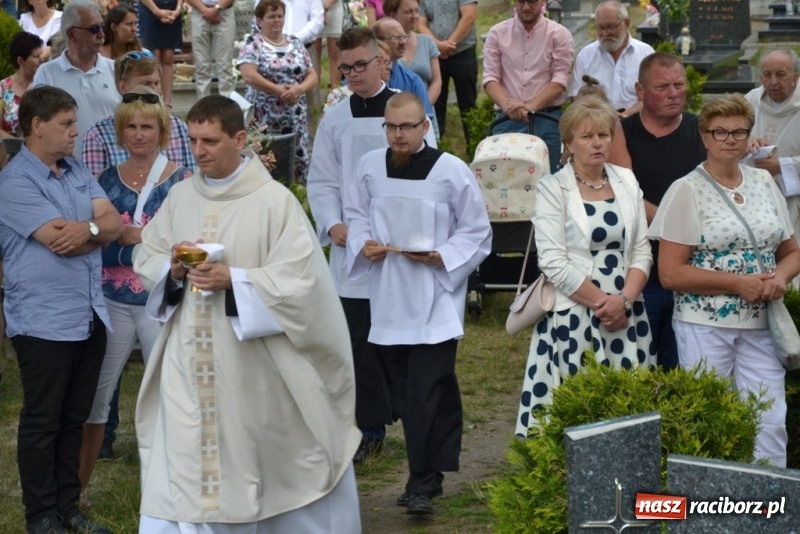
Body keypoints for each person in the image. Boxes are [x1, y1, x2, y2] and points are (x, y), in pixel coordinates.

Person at [133, 94, 362, 533]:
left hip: (251, 363)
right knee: (186, 454)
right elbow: (150, 253)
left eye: (211, 141)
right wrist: (174, 269)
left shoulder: (274, 202)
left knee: (256, 455)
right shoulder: (181, 196)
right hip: (188, 357)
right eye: (194, 140)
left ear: (240, 139)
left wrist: (235, 280)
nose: (199, 151)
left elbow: (303, 282)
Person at [345, 92, 491, 515]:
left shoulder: (451, 171)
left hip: (435, 300)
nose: (398, 135)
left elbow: (478, 231)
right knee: (408, 397)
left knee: (427, 389)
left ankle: (422, 483)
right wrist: (363, 243)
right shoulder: (370, 166)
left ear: (425, 126)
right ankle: (427, 472)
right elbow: (355, 213)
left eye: (407, 127)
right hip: (388, 297)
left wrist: (441, 256)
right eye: (391, 127)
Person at [648, 93, 800, 467]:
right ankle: (712, 511)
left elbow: (792, 251)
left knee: (770, 418)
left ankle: (768, 509)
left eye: (739, 132)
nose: (730, 139)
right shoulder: (686, 189)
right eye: (720, 132)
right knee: (711, 418)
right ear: (704, 136)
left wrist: (779, 278)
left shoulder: (764, 181)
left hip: (762, 321)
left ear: (750, 136)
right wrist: (737, 284)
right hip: (705, 324)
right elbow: (670, 273)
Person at [308, 27, 436, 463]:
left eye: (360, 65)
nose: (352, 75)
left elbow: (429, 172)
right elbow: (322, 180)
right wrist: (334, 226)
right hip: (353, 252)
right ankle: (369, 428)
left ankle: (413, 414)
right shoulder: (336, 118)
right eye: (344, 69)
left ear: (382, 62)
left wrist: (408, 233)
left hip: (400, 252)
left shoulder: (407, 111)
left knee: (401, 343)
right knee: (359, 343)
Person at [0, 85, 122, 534]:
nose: (76, 132)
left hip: (89, 314)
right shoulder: (14, 183)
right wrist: (96, 230)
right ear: (37, 127)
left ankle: (68, 509)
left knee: (73, 418)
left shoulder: (74, 169)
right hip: (43, 322)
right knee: (42, 421)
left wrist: (90, 227)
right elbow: (59, 242)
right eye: (67, 124)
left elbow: (112, 223)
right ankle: (40, 516)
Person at [516, 97, 655, 438]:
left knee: (629, 413)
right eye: (587, 136)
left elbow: (642, 250)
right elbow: (552, 263)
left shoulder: (626, 180)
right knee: (576, 415)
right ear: (568, 143)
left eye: (604, 135)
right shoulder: (553, 188)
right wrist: (603, 303)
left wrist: (623, 301)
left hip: (627, 311)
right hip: (575, 311)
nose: (597, 143)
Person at [77, 86, 190, 509]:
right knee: (96, 395)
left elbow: (183, 245)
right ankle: (78, 491)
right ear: (120, 132)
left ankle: (170, 491)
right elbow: (98, 242)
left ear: (162, 131)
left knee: (169, 393)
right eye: (131, 127)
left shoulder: (182, 181)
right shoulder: (104, 179)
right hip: (111, 298)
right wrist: (145, 239)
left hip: (160, 298)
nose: (139, 134)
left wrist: (130, 235)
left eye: (147, 126)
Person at [608, 52, 706, 370]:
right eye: (662, 87)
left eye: (679, 85)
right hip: (642, 263)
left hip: (693, 264)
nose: (674, 93)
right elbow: (629, 197)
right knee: (642, 358)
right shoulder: (622, 133)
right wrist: (678, 229)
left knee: (686, 361)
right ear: (639, 91)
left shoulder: (702, 130)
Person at [483, 0, 574, 174]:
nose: (525, 7)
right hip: (508, 119)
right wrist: (509, 106)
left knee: (550, 179)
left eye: (531, 1)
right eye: (521, 1)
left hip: (547, 119)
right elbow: (490, 78)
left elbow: (561, 79)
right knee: (505, 181)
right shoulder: (497, 33)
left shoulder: (559, 34)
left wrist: (530, 107)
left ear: (543, 2)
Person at [238, 0, 318, 185]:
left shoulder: (295, 42)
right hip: (264, 118)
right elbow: (248, 75)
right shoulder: (253, 43)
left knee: (298, 161)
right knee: (266, 160)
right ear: (259, 20)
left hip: (294, 117)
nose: (277, 20)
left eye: (280, 16)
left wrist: (299, 89)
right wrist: (278, 91)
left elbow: (312, 75)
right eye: (271, 16)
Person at [83, 51, 195, 177]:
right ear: (123, 87)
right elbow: (94, 190)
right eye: (145, 84)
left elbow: (193, 181)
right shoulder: (98, 135)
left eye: (156, 83)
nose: (154, 90)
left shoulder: (179, 127)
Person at [33, 0, 121, 159]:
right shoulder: (47, 73)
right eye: (94, 29)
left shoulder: (117, 70)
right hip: (66, 172)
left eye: (102, 27)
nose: (101, 35)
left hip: (114, 171)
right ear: (71, 34)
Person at [745, 50, 800, 243]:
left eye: (781, 74)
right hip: (753, 197)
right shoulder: (750, 101)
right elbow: (726, 132)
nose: (773, 82)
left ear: (795, 77)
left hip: (794, 201)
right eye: (767, 75)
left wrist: (783, 165)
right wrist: (747, 140)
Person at [569, 1, 654, 119]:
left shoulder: (645, 53)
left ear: (627, 23)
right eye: (600, 27)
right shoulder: (586, 55)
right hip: (597, 126)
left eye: (610, 27)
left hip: (637, 123)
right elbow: (575, 97)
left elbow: (652, 96)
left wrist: (624, 116)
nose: (605, 33)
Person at [418, 0, 476, 144]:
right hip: (436, 56)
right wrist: (438, 45)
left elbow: (469, 16)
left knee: (468, 104)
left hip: (463, 52)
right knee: (436, 105)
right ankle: (436, 147)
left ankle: (474, 149)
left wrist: (449, 45)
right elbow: (421, 23)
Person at [373, 17, 437, 137]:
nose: (403, 42)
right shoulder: (360, 80)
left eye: (404, 36)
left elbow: (427, 123)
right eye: (396, 38)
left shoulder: (412, 81)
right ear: (378, 41)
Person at [383, 0, 441, 106]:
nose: (414, 16)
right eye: (408, 12)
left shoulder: (427, 42)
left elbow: (436, 81)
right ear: (393, 14)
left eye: (416, 11)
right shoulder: (383, 45)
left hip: (425, 113)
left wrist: (423, 107)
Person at [185, 0, 235, 99]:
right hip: (199, 11)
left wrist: (216, 9)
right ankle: (203, 107)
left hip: (224, 12)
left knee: (225, 66)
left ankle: (227, 107)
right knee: (201, 66)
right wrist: (206, 11)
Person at [137, 0, 183, 109]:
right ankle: (153, 100)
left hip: (171, 10)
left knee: (168, 57)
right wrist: (156, 11)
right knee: (153, 57)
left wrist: (178, 9)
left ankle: (167, 104)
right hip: (150, 10)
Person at [1, 31, 43, 139]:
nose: (41, 60)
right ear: (21, 61)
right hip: (12, 152)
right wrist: (21, 146)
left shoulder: (45, 84)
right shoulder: (3, 89)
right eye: (36, 56)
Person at [314, 0, 342, 89]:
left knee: (335, 53)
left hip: (333, 7)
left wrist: (325, 8)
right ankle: (314, 94)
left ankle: (335, 93)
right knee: (314, 53)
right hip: (313, 7)